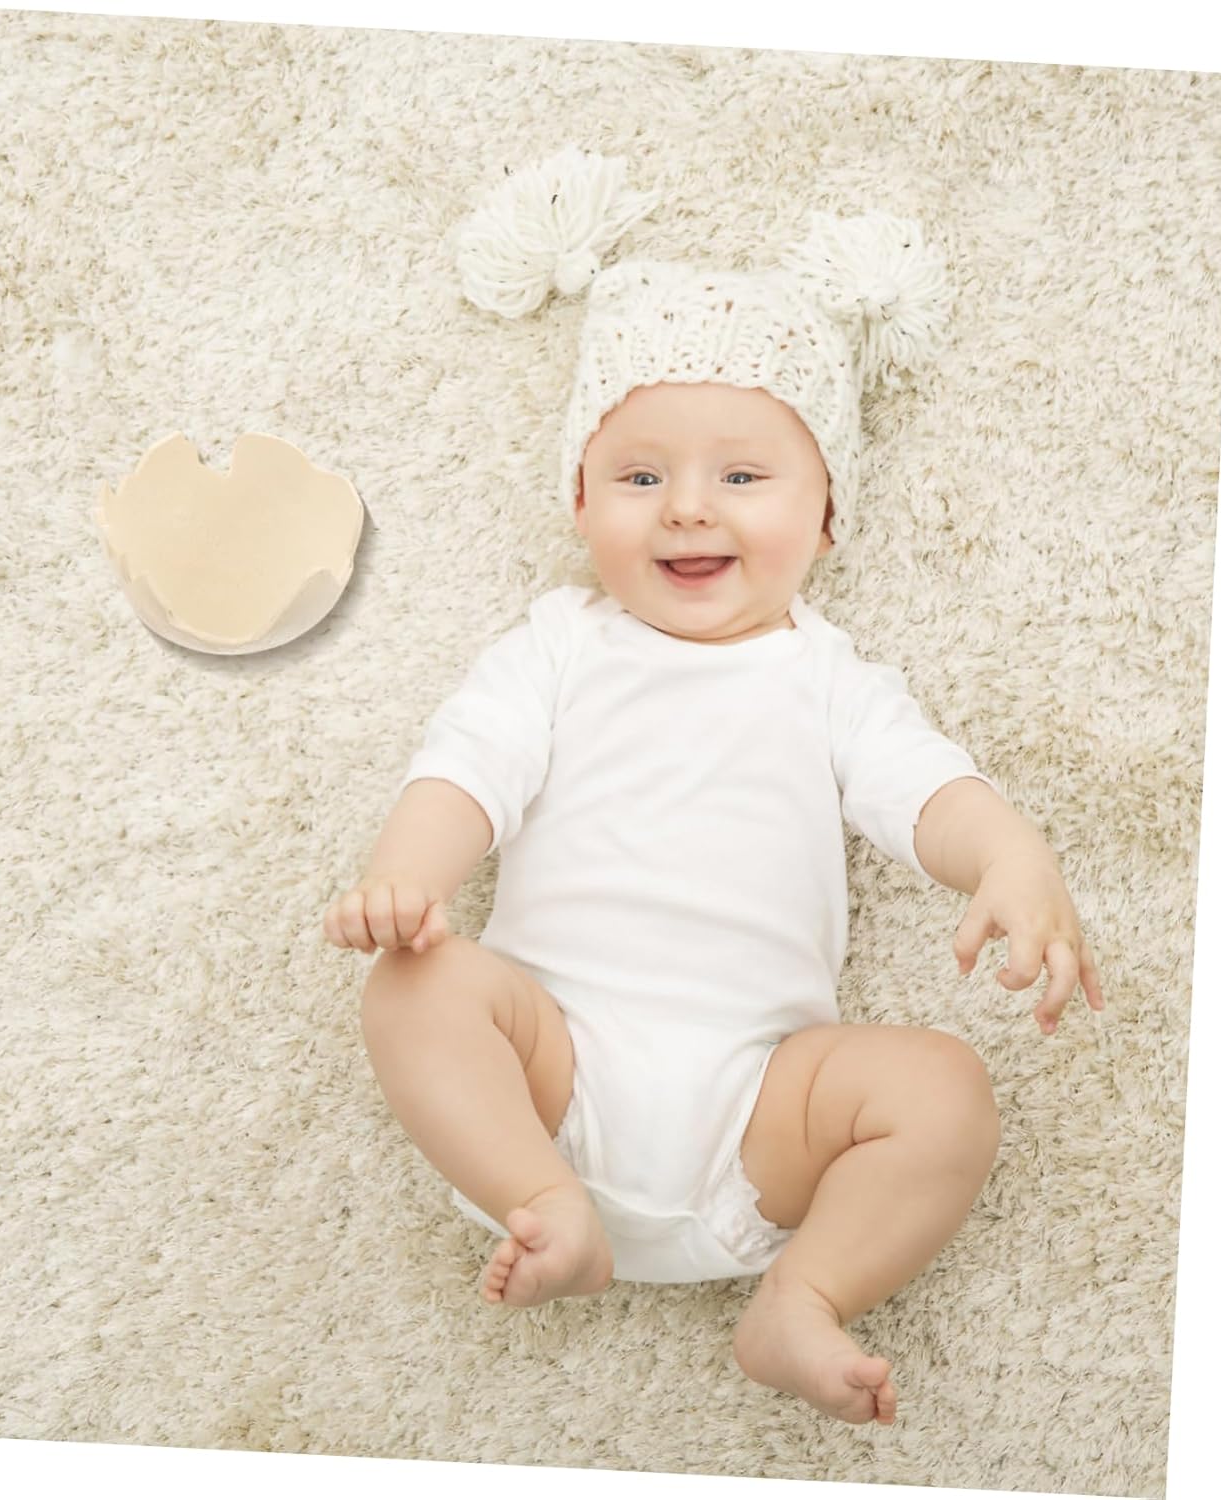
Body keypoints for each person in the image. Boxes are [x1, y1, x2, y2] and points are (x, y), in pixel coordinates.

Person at [322, 152, 1104, 1426]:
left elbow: (927, 791)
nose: (688, 509)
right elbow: (466, 763)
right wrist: (407, 874)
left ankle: (802, 1292)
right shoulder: (560, 645)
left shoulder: (829, 677)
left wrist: (1009, 854)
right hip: (547, 1077)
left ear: (827, 515)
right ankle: (549, 1206)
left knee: (945, 1091)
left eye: (743, 477)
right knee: (416, 983)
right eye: (641, 478)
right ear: (581, 501)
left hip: (760, 1114)